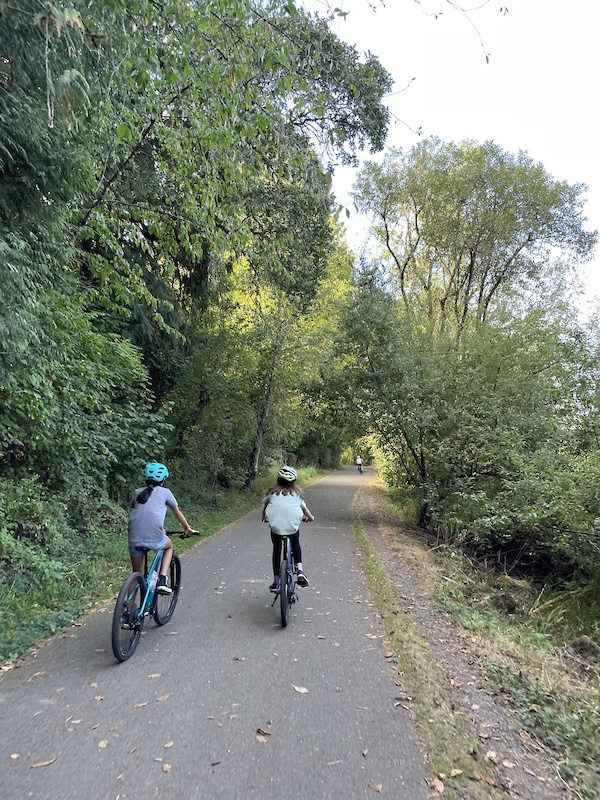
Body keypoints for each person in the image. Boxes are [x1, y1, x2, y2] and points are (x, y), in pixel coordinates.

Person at [128, 462, 197, 595]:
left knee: (137, 574)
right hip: (155, 536)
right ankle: (162, 580)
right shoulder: (166, 492)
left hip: (133, 538)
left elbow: (138, 510)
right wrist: (187, 528)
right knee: (169, 546)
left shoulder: (137, 492)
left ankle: (128, 607)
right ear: (164, 479)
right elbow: (177, 513)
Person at [262, 466, 314, 590]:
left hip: (276, 530)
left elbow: (265, 506)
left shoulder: (272, 493)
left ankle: (276, 582)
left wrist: (264, 517)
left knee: (276, 550)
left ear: (278, 480)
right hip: (292, 529)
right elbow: (306, 511)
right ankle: (300, 570)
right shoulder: (297, 495)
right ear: (293, 482)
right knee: (295, 542)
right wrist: (310, 518)